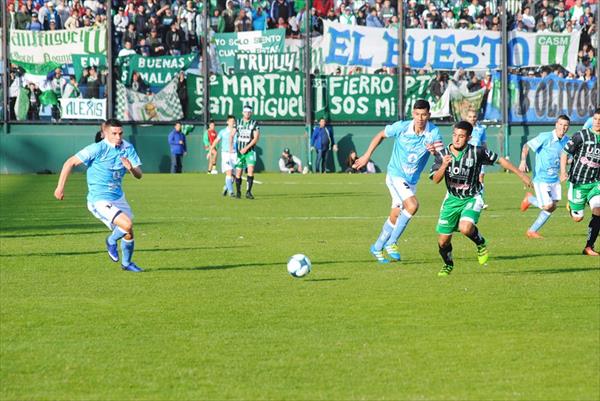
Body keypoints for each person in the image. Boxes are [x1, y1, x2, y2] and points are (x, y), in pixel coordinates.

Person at [430, 121, 532, 276]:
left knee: (465, 228)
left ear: (469, 138)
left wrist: (521, 174)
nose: (457, 139)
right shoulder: (443, 154)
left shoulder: (477, 152)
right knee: (443, 241)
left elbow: (500, 160)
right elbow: (435, 180)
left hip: (472, 196)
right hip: (451, 199)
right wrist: (444, 166)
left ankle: (480, 243)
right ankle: (448, 264)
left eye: (461, 136)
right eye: (455, 135)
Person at [353, 99, 444, 263]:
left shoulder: (434, 133)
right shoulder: (402, 127)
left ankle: (377, 246)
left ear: (429, 115)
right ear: (412, 114)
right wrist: (366, 156)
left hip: (411, 180)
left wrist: (435, 154)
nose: (420, 118)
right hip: (395, 175)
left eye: (424, 115)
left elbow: (440, 155)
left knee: (396, 215)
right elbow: (380, 135)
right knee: (412, 205)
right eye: (417, 114)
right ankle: (392, 243)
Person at [53, 119, 144, 272]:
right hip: (99, 199)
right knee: (127, 224)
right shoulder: (97, 148)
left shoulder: (128, 148)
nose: (118, 137)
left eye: (120, 133)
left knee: (129, 232)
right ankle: (111, 241)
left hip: (117, 197)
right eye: (114, 133)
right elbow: (70, 162)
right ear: (105, 133)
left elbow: (139, 175)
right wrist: (60, 187)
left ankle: (127, 263)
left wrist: (131, 169)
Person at [518, 115, 571, 238]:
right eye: (560, 124)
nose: (563, 127)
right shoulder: (545, 137)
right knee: (547, 206)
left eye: (566, 125)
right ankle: (530, 199)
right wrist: (523, 161)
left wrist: (567, 170)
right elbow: (526, 146)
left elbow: (566, 159)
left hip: (555, 179)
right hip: (541, 179)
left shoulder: (567, 141)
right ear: (556, 125)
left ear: (568, 127)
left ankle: (532, 231)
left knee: (552, 206)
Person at [560, 108, 600, 256]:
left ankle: (589, 246)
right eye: (595, 119)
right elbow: (565, 153)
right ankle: (571, 206)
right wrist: (563, 171)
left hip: (596, 183)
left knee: (598, 209)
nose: (597, 122)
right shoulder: (581, 136)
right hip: (578, 182)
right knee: (578, 218)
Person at [234, 104, 260, 199]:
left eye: (249, 112)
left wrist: (246, 148)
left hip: (250, 151)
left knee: (251, 169)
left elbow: (256, 138)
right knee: (238, 172)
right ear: (242, 112)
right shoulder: (238, 122)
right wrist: (233, 148)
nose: (247, 113)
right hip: (239, 152)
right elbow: (232, 135)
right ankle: (238, 191)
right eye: (246, 112)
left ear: (251, 113)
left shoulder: (254, 123)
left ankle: (248, 192)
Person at [209, 115, 237, 197]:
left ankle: (226, 187)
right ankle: (231, 192)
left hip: (235, 154)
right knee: (229, 172)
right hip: (226, 154)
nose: (232, 123)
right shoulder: (223, 132)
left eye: (233, 121)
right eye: (231, 121)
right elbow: (216, 141)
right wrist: (210, 150)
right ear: (227, 122)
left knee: (234, 176)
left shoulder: (236, 131)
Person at [465, 109, 488, 206]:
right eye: (470, 116)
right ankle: (466, 199)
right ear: (467, 117)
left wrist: (485, 154)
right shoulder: (464, 129)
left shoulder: (481, 128)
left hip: (478, 155)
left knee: (481, 176)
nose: (472, 119)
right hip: (467, 156)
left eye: (474, 116)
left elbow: (484, 143)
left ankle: (480, 201)